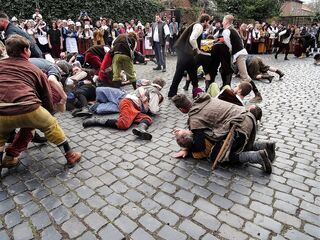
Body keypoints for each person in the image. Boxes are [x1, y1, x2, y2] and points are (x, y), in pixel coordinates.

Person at [0, 34, 81, 168]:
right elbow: (46, 94)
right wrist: (48, 112)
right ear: (26, 50)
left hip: (1, 111)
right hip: (28, 107)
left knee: (0, 137)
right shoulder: (35, 68)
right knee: (51, 125)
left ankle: (8, 160)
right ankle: (70, 154)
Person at [171, 93, 274, 174]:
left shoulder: (195, 119)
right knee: (226, 144)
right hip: (248, 117)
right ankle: (265, 146)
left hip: (239, 127)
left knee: (217, 155)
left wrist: (187, 150)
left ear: (181, 109)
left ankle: (257, 157)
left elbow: (200, 146)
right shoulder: (204, 100)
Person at [82, 78, 166, 140]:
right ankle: (96, 121)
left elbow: (139, 86)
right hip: (129, 103)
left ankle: (141, 129)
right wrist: (153, 105)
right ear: (160, 88)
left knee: (146, 118)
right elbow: (154, 110)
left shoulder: (146, 87)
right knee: (123, 124)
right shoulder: (155, 92)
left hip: (133, 106)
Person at [221, 15, 263, 103]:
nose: (222, 22)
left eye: (223, 20)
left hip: (239, 55)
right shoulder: (233, 30)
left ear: (226, 22)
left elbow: (229, 47)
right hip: (240, 53)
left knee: (244, 76)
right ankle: (232, 93)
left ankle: (257, 94)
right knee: (240, 75)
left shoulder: (227, 31)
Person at [167, 14, 210, 98]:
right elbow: (192, 39)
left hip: (185, 51)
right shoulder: (199, 26)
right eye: (208, 22)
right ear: (205, 21)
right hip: (185, 51)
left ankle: (195, 90)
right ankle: (172, 92)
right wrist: (197, 49)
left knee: (192, 69)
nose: (208, 24)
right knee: (179, 72)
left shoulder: (197, 25)